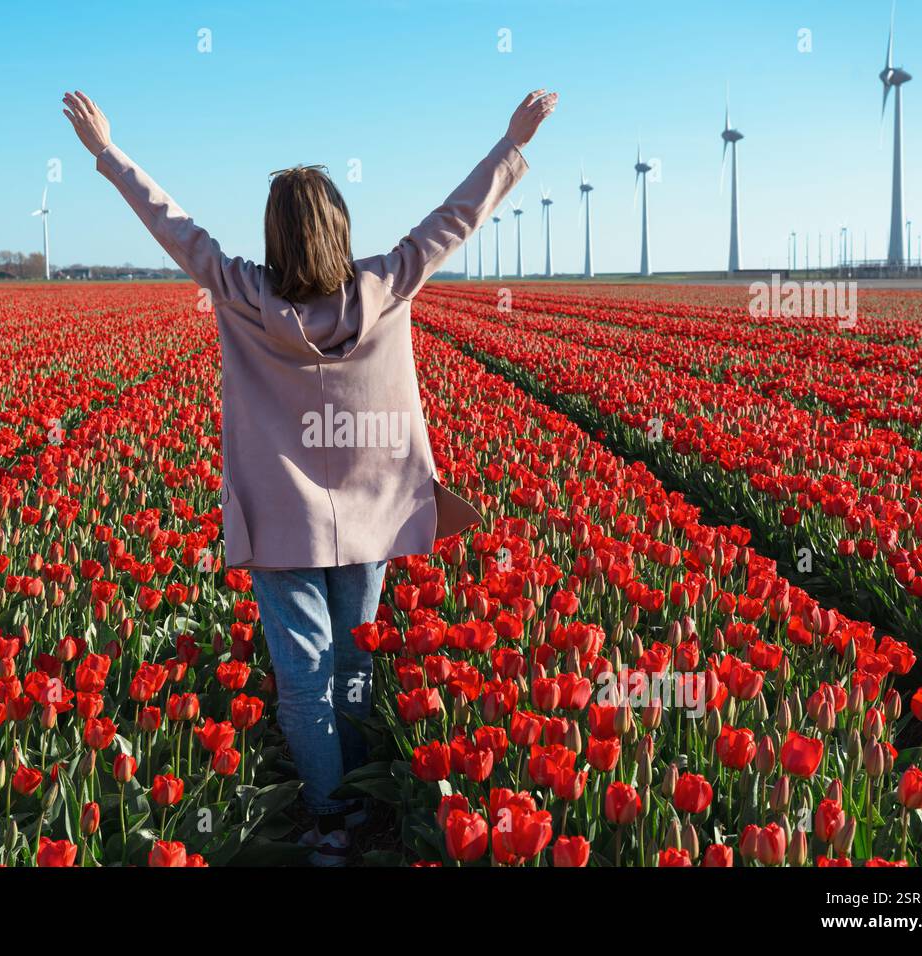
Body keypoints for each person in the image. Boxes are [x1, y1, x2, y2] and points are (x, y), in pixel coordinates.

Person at [62, 88, 555, 864]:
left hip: (282, 523)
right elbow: (455, 219)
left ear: (274, 237)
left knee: (303, 679)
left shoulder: (243, 294)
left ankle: (327, 818)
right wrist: (510, 143)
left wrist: (107, 152)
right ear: (340, 229)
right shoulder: (387, 285)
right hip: (372, 518)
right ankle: (360, 801)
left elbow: (173, 225)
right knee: (356, 662)